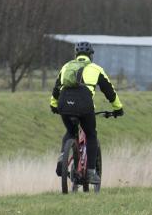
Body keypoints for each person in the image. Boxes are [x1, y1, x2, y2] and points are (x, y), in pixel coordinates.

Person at [50, 41, 124, 185]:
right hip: (84, 107)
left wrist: (53, 105)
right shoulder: (96, 69)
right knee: (91, 135)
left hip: (64, 104)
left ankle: (62, 158)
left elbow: (56, 89)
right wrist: (118, 109)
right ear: (91, 55)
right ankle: (90, 172)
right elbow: (110, 92)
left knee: (70, 132)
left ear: (76, 55)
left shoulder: (66, 66)